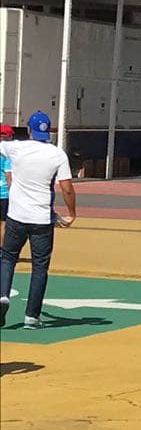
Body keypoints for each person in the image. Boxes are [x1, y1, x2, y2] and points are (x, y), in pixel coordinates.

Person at [0, 111, 76, 328]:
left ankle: (3, 294)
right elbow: (67, 188)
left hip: (16, 215)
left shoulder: (16, 147)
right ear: (49, 131)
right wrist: (72, 213)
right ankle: (32, 316)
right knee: (40, 266)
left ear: (29, 130)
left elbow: (2, 144)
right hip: (42, 218)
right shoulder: (57, 154)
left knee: (7, 258)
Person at [0, 122, 11, 236]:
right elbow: (8, 175)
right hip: (3, 192)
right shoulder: (6, 153)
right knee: (4, 222)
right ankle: (2, 250)